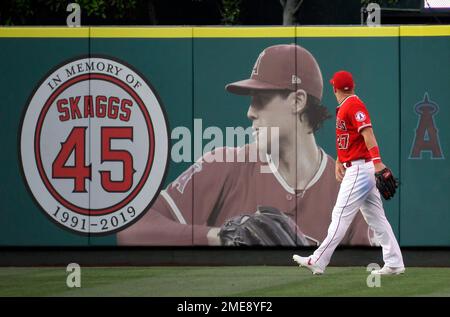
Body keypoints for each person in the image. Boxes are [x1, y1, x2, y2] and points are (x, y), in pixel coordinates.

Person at [117, 45, 373, 246]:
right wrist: (219, 237)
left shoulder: (348, 188)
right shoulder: (223, 165)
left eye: (260, 99)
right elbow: (132, 229)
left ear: (297, 101)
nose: (250, 112)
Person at [293, 70, 405, 275]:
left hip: (361, 171)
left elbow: (368, 134)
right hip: (358, 166)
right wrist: (340, 160)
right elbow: (350, 138)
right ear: (352, 86)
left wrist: (378, 163)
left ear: (335, 88)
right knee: (377, 219)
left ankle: (317, 260)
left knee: (340, 215)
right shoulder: (347, 105)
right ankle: (395, 262)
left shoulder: (353, 105)